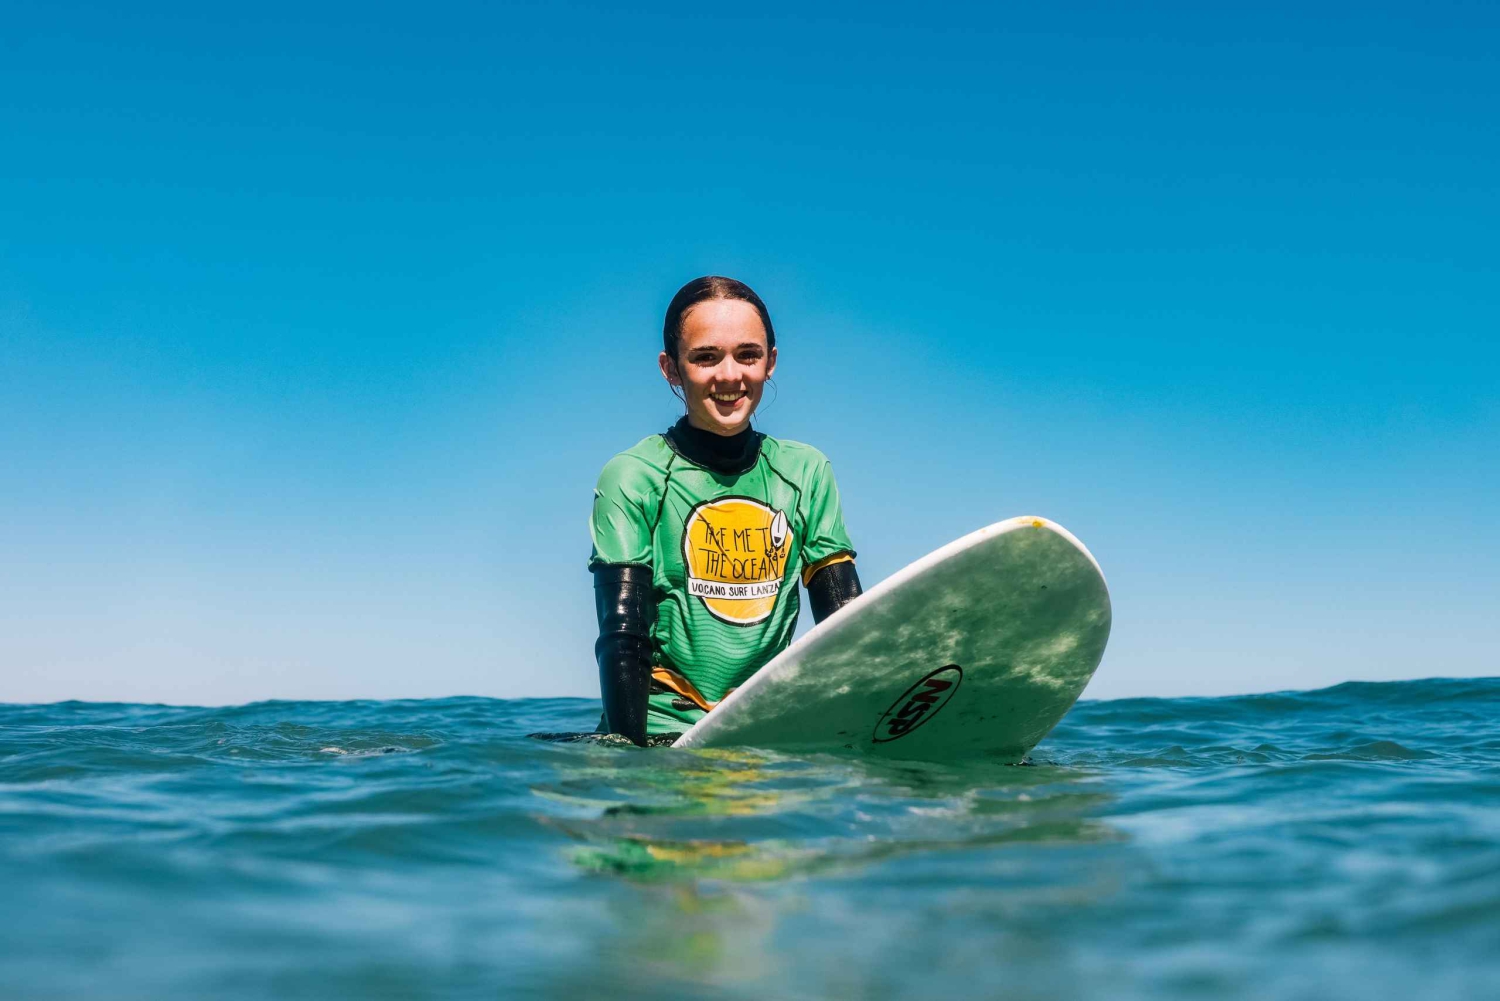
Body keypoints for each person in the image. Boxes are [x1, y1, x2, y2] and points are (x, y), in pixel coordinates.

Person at [588, 276, 864, 745]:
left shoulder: (805, 471)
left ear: (770, 362)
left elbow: (846, 625)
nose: (730, 375)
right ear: (671, 369)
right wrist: (627, 770)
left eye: (747, 354)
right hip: (661, 735)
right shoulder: (634, 476)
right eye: (705, 357)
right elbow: (623, 638)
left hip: (766, 731)